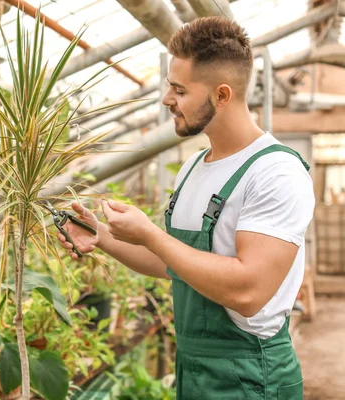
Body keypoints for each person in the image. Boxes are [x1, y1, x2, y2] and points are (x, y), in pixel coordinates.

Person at [58, 16, 315, 399]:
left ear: (222, 95)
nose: (167, 99)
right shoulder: (194, 168)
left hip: (250, 375)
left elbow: (250, 290)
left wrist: (150, 234)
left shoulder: (275, 172)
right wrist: (104, 238)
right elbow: (176, 264)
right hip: (193, 367)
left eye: (179, 90)